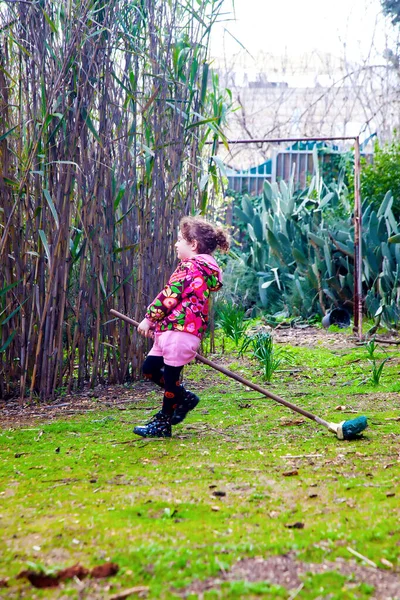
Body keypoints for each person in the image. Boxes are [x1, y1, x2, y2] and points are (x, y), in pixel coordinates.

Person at [134, 216, 230, 438]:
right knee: (149, 368)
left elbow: (170, 295)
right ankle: (184, 397)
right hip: (172, 330)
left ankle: (163, 423)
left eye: (180, 240)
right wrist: (158, 324)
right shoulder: (199, 269)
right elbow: (180, 300)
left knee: (170, 379)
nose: (176, 244)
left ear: (193, 245)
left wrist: (149, 318)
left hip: (180, 332)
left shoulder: (190, 267)